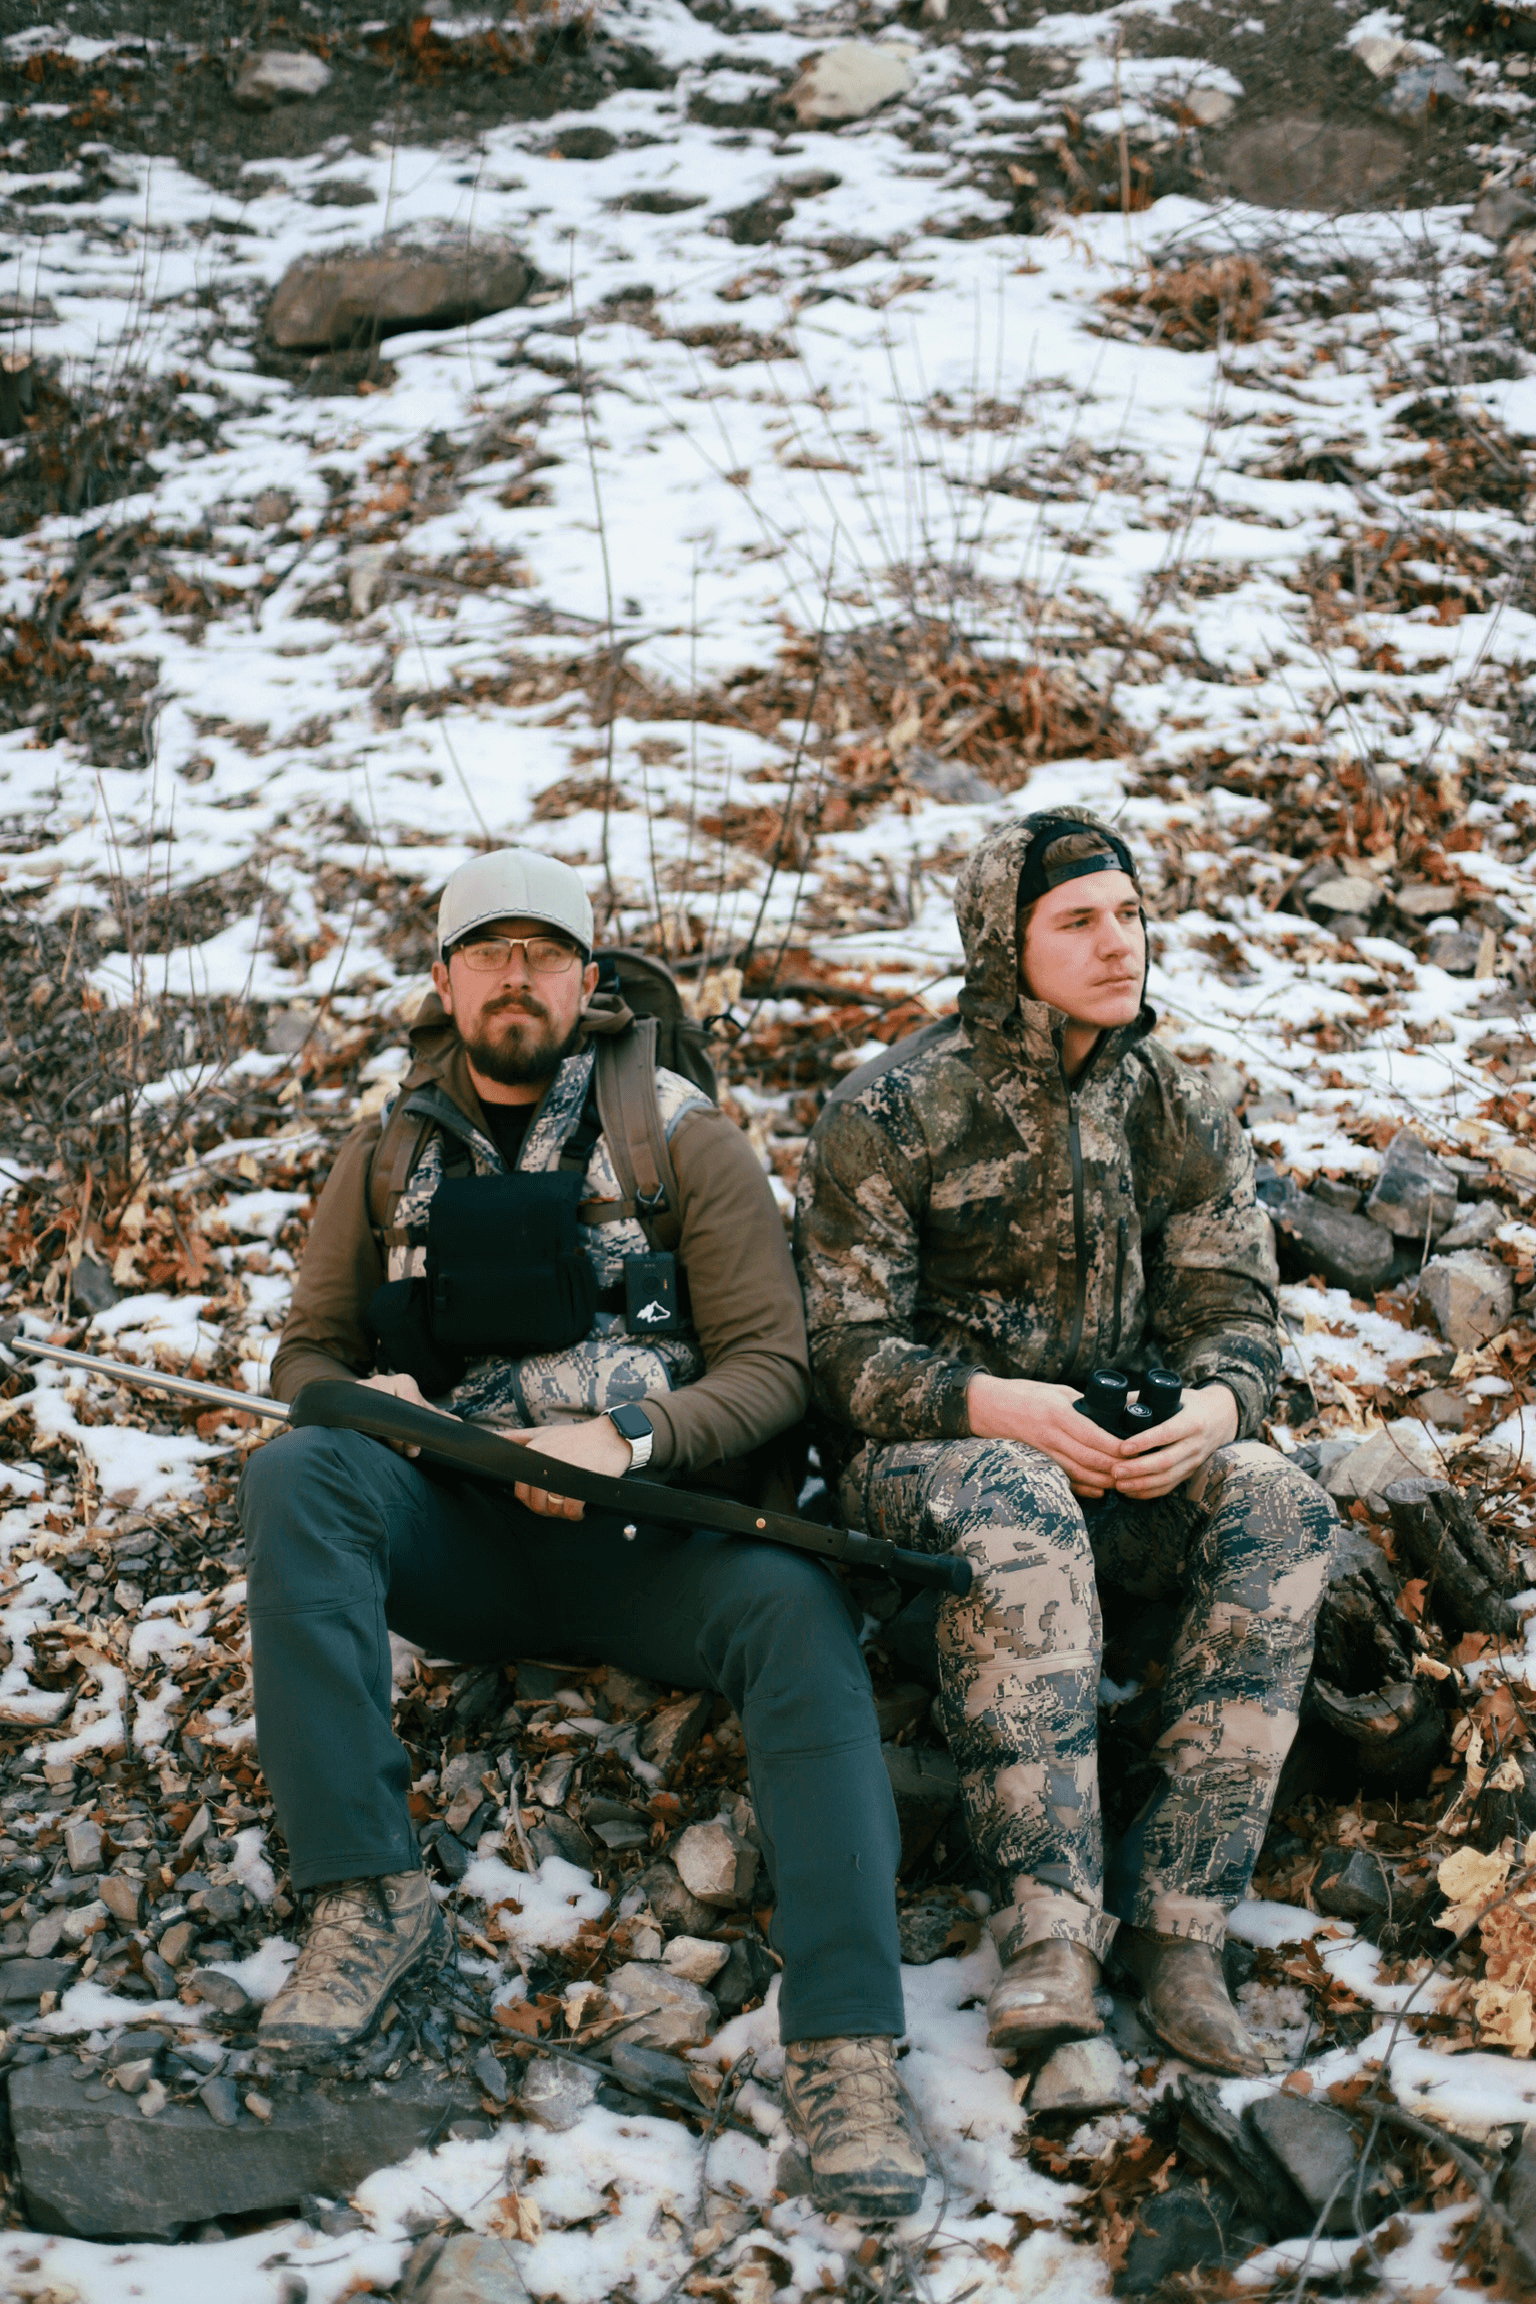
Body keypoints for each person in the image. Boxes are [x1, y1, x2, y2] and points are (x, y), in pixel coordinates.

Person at [238, 847, 927, 2220]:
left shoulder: (683, 1139)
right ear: (444, 980)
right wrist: (368, 1406)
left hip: (654, 1548)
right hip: (462, 1549)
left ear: (587, 979)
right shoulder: (385, 1154)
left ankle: (848, 2046)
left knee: (797, 1614)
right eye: (485, 951)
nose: (513, 976)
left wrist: (626, 1442)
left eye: (542, 952)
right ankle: (364, 1893)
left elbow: (774, 1369)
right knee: (295, 1476)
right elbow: (303, 1353)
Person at [794, 809, 1336, 2077]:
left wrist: (1215, 1411)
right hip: (932, 1470)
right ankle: (1048, 1935)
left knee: (1280, 1506)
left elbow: (1236, 1311)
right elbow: (839, 1352)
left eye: (1131, 916)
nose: (1116, 946)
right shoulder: (893, 1110)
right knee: (1016, 1498)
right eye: (1077, 922)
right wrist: (994, 1404)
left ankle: (1182, 1927)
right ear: (1004, 944)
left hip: (1126, 1456)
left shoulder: (1183, 1102)